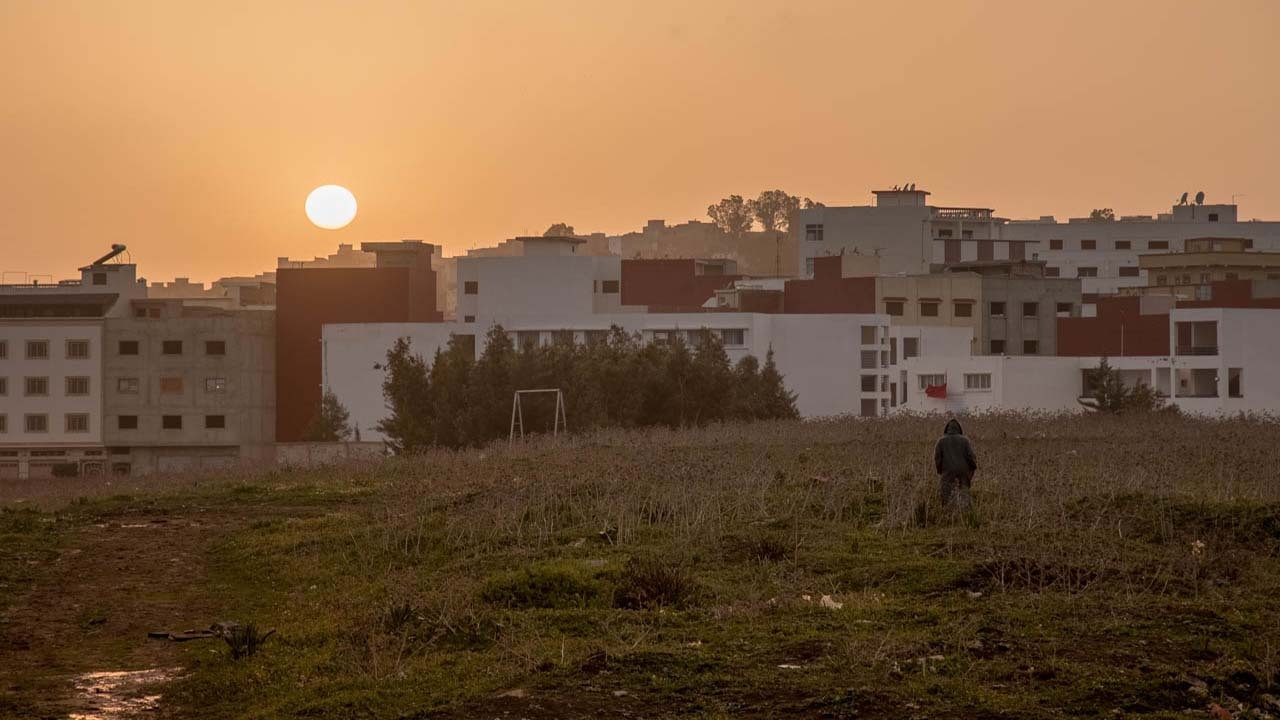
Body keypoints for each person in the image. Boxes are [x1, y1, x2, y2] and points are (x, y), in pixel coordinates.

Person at [934, 418, 977, 512]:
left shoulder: (941, 441)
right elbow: (971, 457)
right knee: (964, 494)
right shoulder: (965, 440)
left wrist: (941, 471)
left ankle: (948, 515)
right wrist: (972, 469)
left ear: (946, 429)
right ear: (959, 429)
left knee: (946, 495)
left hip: (947, 473)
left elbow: (937, 459)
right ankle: (965, 515)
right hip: (963, 473)